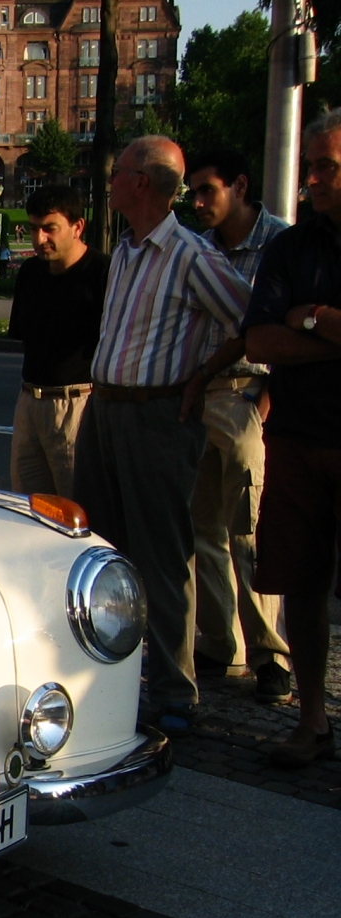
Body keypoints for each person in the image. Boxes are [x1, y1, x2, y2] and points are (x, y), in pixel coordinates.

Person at [73, 135, 251, 735]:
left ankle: (177, 691)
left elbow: (248, 318)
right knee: (100, 549)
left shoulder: (191, 255)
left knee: (162, 554)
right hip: (106, 412)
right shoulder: (125, 250)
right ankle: (111, 677)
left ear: (142, 183)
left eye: (118, 170)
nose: (111, 178)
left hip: (157, 416)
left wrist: (204, 372)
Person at [243, 111, 341, 764]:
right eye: (307, 165)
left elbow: (285, 334)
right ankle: (312, 719)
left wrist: (308, 319)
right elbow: (257, 340)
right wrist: (327, 328)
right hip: (299, 439)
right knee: (301, 587)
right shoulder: (290, 247)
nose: (309, 179)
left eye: (325, 166)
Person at [184, 147, 293, 702]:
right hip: (201, 394)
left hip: (248, 392)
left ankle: (272, 653)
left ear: (241, 185)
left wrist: (269, 397)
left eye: (209, 191)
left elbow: (282, 329)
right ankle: (222, 644)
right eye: (194, 193)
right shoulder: (199, 245)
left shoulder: (279, 242)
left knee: (248, 529)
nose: (199, 202)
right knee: (204, 527)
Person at [6, 184, 109, 499]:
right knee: (29, 505)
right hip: (29, 402)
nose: (39, 239)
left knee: (76, 508)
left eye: (50, 229)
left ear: (77, 227)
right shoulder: (31, 272)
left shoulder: (103, 273)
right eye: (34, 228)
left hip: (75, 404)